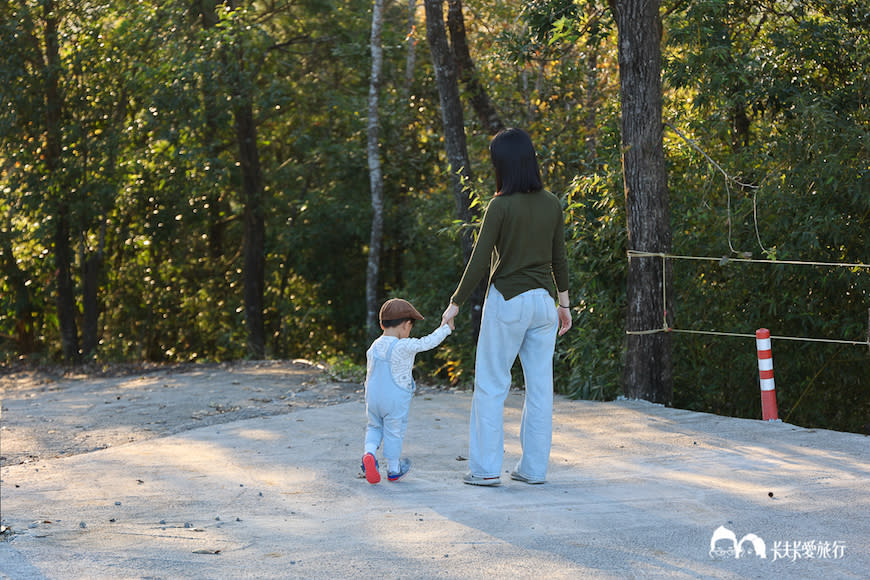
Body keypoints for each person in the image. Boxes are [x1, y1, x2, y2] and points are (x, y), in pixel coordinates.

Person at [443, 128, 571, 486]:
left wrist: (456, 302)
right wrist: (565, 305)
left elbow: (480, 259)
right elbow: (559, 258)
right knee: (541, 389)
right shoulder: (552, 203)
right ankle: (533, 470)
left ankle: (485, 470)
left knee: (491, 384)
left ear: (503, 165)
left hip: (508, 301)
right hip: (545, 304)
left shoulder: (500, 206)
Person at [361, 298, 455, 484]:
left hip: (372, 398)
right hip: (394, 399)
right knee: (394, 431)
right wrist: (446, 328)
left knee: (374, 426)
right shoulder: (403, 346)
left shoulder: (374, 346)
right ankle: (394, 469)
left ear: (382, 324)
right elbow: (428, 342)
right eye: (410, 327)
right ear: (405, 325)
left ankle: (369, 454)